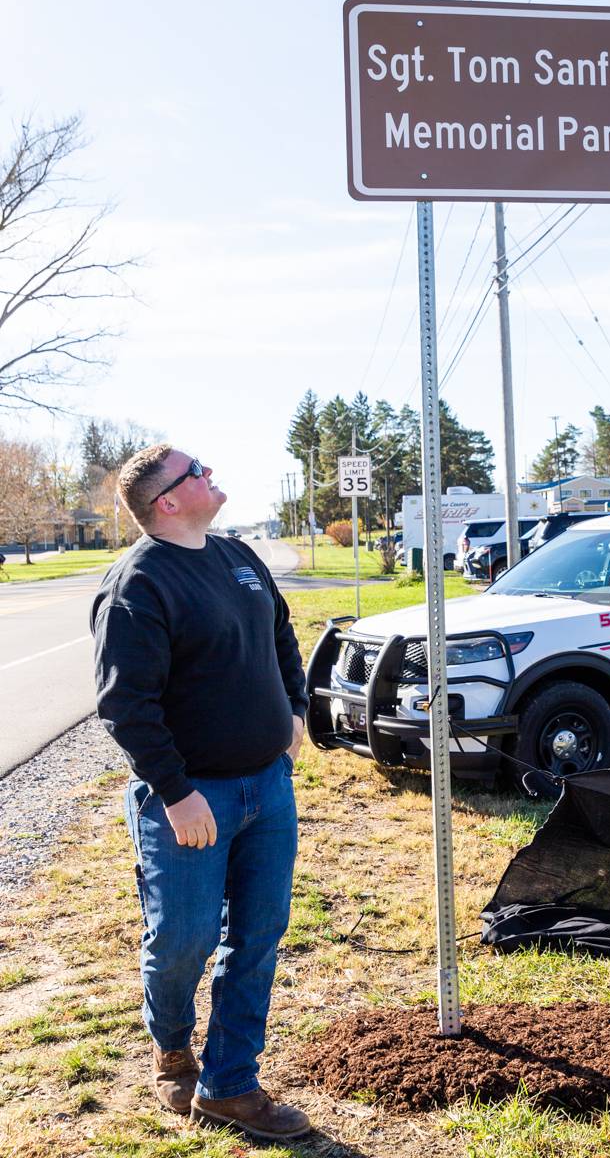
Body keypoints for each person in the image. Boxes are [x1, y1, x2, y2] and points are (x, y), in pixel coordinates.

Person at [91, 444, 311, 1143]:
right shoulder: (139, 584)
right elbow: (127, 705)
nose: (211, 474)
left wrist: (296, 711)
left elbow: (281, 637)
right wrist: (176, 793)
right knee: (182, 941)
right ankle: (173, 1048)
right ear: (168, 501)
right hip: (191, 801)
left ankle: (230, 1086)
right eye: (198, 472)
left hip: (268, 792)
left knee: (257, 938)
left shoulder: (239, 558)